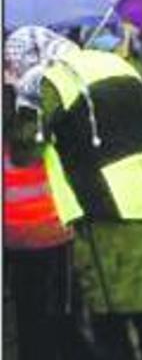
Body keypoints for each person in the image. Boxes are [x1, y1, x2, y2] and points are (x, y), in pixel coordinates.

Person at [6, 26, 142, 360]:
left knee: (108, 313)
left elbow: (26, 151)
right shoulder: (118, 65)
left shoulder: (49, 83)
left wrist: (26, 97)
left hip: (105, 211)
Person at [3, 83, 82, 360]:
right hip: (49, 229)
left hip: (16, 231)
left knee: (28, 318)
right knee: (62, 317)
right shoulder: (39, 106)